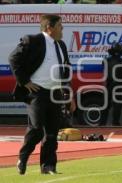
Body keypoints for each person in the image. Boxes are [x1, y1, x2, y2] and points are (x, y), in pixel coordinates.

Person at [9, 14, 75, 175]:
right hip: (37, 93)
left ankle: (48, 166)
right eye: (60, 26)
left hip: (55, 93)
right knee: (37, 129)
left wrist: (69, 94)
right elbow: (13, 58)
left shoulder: (61, 45)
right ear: (49, 27)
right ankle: (23, 158)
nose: (63, 29)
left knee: (52, 132)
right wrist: (25, 81)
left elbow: (65, 71)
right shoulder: (33, 40)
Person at [100, 42, 122, 126]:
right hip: (119, 85)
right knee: (118, 105)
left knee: (106, 105)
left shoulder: (105, 61)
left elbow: (103, 72)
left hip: (109, 85)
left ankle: (102, 123)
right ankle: (115, 122)